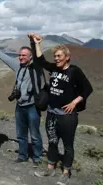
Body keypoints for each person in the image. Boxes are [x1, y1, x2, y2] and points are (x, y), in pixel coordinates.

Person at [31, 33, 93, 185]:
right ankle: (50, 167)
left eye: (59, 56)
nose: (56, 59)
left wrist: (74, 102)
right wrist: (37, 43)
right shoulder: (54, 68)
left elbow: (87, 89)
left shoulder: (74, 71)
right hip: (52, 113)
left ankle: (66, 171)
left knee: (67, 145)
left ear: (67, 57)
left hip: (67, 116)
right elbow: (40, 60)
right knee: (52, 142)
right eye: (55, 56)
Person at [0, 40, 45, 165]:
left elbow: (39, 57)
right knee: (21, 133)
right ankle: (23, 155)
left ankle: (37, 158)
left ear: (30, 57)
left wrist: (34, 43)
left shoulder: (36, 67)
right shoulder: (18, 66)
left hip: (32, 106)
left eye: (24, 55)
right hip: (20, 106)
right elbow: (6, 59)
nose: (21, 57)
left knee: (35, 134)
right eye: (20, 55)